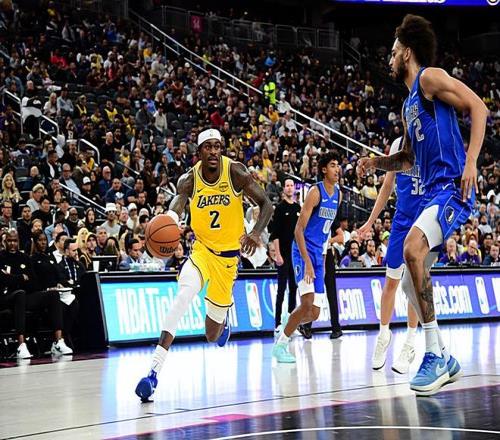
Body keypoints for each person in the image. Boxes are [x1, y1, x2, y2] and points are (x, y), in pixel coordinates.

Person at [358, 14, 487, 395]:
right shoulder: (408, 105)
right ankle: (443, 354)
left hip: (452, 187)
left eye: (393, 52)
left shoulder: (430, 78)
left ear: (407, 53)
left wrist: (471, 161)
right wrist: (376, 163)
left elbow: (478, 108)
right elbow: (409, 159)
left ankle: (433, 356)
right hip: (432, 191)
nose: (389, 59)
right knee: (408, 281)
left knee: (411, 249)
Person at [135, 128, 273, 401]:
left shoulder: (235, 172)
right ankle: (153, 372)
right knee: (182, 297)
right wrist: (169, 220)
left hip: (228, 260)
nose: (213, 151)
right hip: (202, 252)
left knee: (212, 335)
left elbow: (266, 204)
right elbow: (177, 205)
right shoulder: (189, 179)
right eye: (207, 147)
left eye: (217, 146)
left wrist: (256, 233)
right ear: (198, 152)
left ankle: (223, 324)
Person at [358, 136, 422, 374]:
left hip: (422, 222)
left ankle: (410, 342)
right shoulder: (398, 145)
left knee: (414, 285)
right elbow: (387, 187)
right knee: (391, 283)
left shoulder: (431, 141)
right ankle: (384, 334)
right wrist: (370, 221)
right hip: (402, 221)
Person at [272, 152, 341, 363]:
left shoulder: (338, 195)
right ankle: (281, 345)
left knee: (315, 313)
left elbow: (326, 231)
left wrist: (322, 261)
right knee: (306, 302)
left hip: (319, 254)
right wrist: (308, 262)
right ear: (324, 169)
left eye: (338, 165)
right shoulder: (315, 192)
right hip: (302, 252)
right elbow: (298, 230)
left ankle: (289, 319)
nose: (337, 169)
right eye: (332, 165)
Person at [270, 178, 300, 337]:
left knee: (294, 288)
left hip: (295, 255)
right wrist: (277, 254)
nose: (289, 188)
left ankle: (291, 325)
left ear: (294, 188)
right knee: (281, 289)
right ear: (284, 189)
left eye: (291, 185)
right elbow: (275, 234)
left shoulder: (298, 208)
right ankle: (277, 324)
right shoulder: (280, 208)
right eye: (287, 185)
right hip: (283, 254)